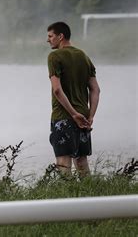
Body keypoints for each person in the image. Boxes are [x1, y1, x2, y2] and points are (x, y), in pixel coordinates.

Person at [46, 21, 100, 177]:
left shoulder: (54, 56)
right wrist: (90, 116)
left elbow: (57, 89)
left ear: (60, 36)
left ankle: (66, 198)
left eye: (50, 36)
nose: (48, 40)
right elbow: (96, 89)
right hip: (84, 117)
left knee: (63, 164)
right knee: (82, 163)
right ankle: (90, 197)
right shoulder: (83, 56)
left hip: (64, 117)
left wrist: (73, 114)